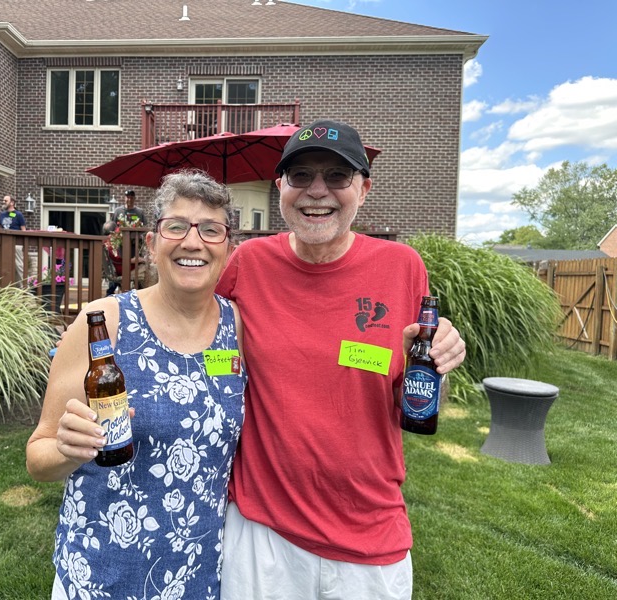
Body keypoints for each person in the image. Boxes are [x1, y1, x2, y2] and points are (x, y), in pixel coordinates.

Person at [215, 119, 467, 600]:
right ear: (280, 187)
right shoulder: (248, 264)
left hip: (370, 533)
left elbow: (413, 395)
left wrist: (438, 362)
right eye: (301, 176)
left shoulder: (402, 267)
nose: (317, 191)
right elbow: (201, 346)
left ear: (364, 189)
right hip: (263, 531)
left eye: (337, 177)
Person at [26, 170, 246, 599]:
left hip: (196, 578)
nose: (193, 242)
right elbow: (39, 456)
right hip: (100, 574)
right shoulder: (103, 322)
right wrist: (68, 450)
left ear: (228, 248)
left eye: (211, 230)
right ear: (151, 243)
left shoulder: (236, 325)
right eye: (177, 226)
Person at [0, 194, 28, 286]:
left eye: (5, 201)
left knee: (18, 265)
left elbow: (23, 229)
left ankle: (24, 287)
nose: (3, 202)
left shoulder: (18, 214)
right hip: (4, 244)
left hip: (16, 244)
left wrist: (23, 244)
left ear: (12, 203)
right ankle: (6, 286)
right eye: (3, 200)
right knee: (4, 265)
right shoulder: (2, 214)